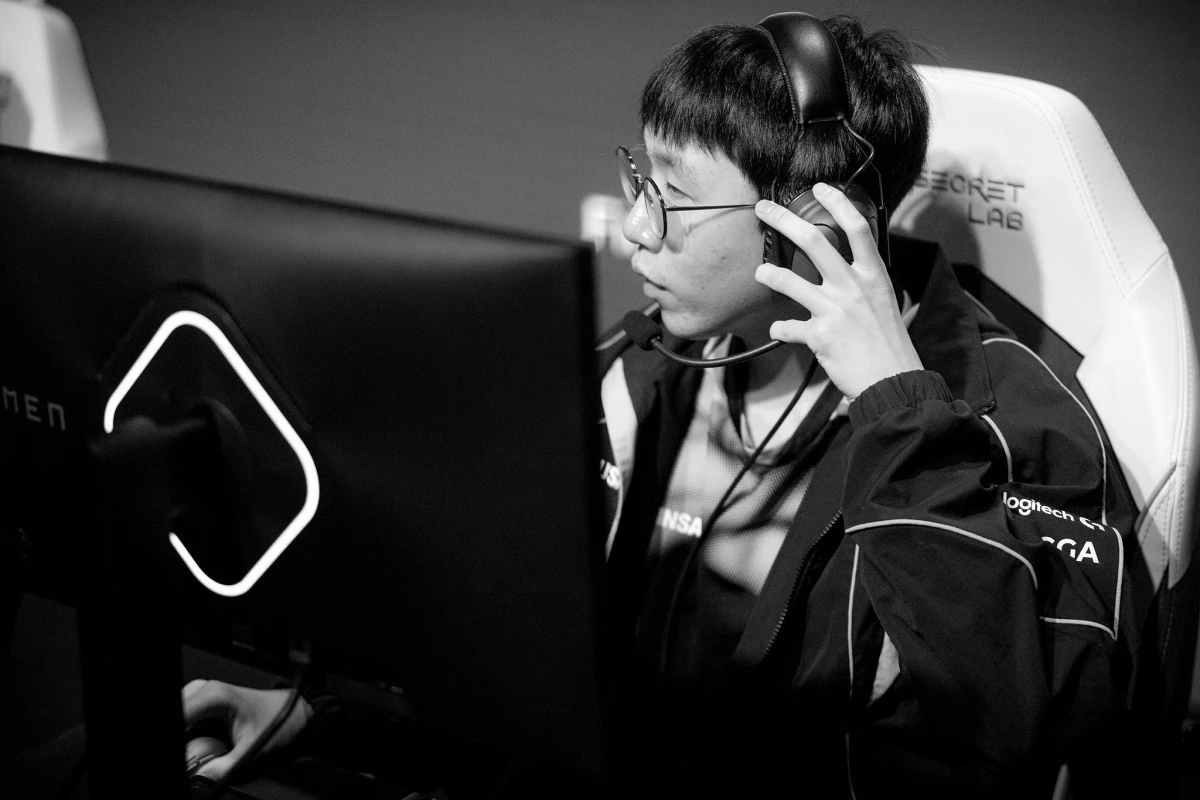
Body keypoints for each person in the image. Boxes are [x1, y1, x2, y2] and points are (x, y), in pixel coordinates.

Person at [184, 13, 1143, 797]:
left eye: (674, 197)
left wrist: (898, 412)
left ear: (810, 218)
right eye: (641, 177)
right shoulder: (646, 368)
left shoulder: (1013, 417)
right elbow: (534, 672)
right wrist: (323, 718)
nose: (635, 228)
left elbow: (1022, 714)